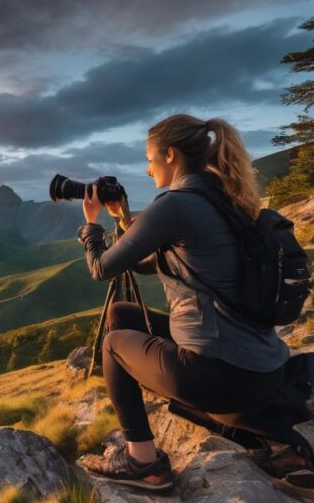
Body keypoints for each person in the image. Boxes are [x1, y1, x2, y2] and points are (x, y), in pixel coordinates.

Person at [75, 113, 294, 491]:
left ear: (171, 155)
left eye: (149, 158)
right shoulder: (225, 195)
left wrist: (91, 223)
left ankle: (143, 463)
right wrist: (124, 219)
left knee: (113, 346)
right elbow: (146, 263)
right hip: (264, 369)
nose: (146, 170)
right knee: (122, 313)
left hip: (223, 376)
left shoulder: (175, 205)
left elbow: (102, 268)